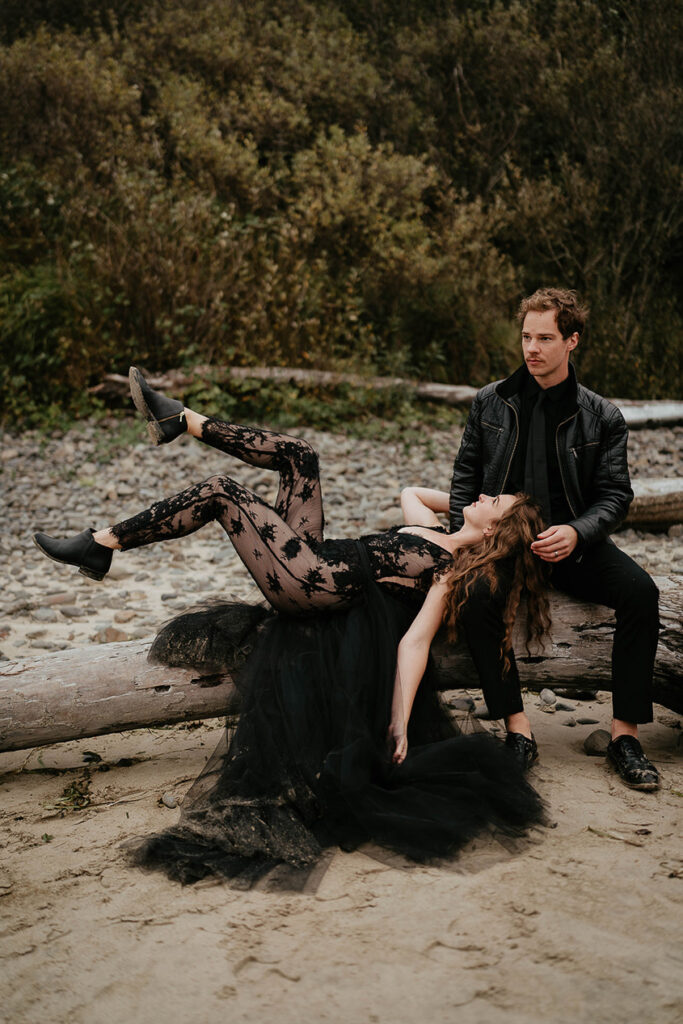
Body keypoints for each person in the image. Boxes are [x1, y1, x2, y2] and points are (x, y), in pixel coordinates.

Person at [33, 368, 550, 885]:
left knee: (221, 492)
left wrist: (398, 723)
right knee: (301, 455)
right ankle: (181, 419)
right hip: (314, 558)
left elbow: (414, 644)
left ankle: (100, 545)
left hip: (313, 584)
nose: (484, 495)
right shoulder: (433, 530)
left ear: (499, 531)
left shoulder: (448, 571)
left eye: (495, 502)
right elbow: (412, 490)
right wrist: (470, 513)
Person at [449, 287, 660, 791]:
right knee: (477, 598)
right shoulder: (490, 402)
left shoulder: (602, 416)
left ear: (572, 341)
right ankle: (518, 730)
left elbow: (615, 495)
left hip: (572, 543)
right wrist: (466, 536)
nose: (532, 348)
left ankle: (624, 737)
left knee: (642, 593)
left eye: (545, 337)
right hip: (503, 541)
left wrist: (578, 531)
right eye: (526, 336)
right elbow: (464, 479)